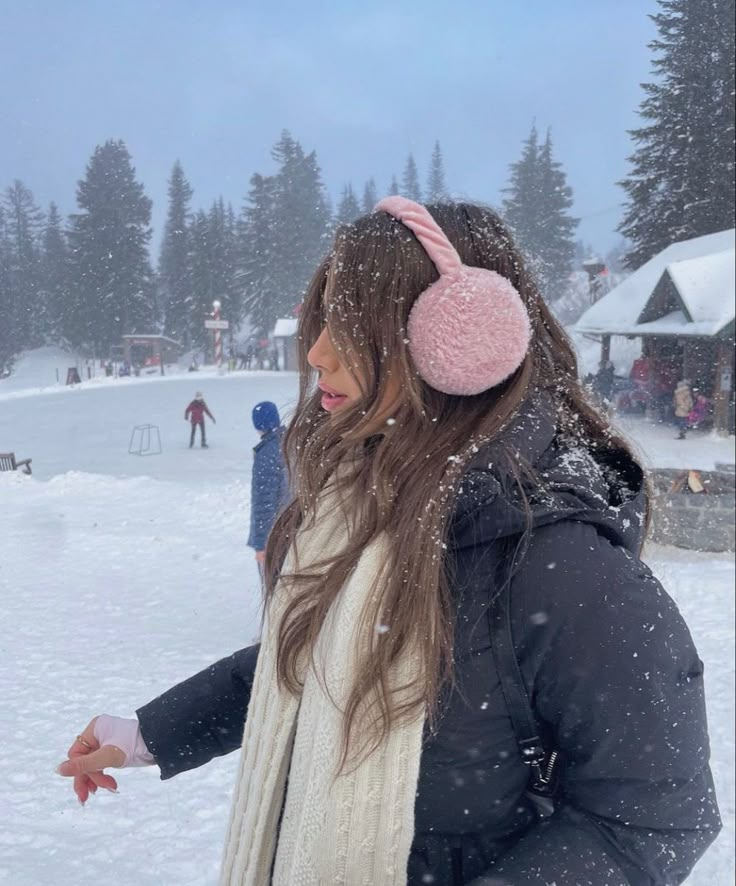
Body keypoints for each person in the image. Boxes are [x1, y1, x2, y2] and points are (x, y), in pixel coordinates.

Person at [57, 199, 720, 886]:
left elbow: (653, 821)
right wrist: (148, 735)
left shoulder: (566, 570)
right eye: (321, 324)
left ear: (459, 342)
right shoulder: (367, 501)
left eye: (351, 329)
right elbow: (314, 661)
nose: (316, 355)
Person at [247, 401, 289, 578]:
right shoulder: (289, 442)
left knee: (275, 586)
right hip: (292, 527)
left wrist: (262, 544)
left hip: (276, 534)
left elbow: (264, 501)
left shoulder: (267, 454)